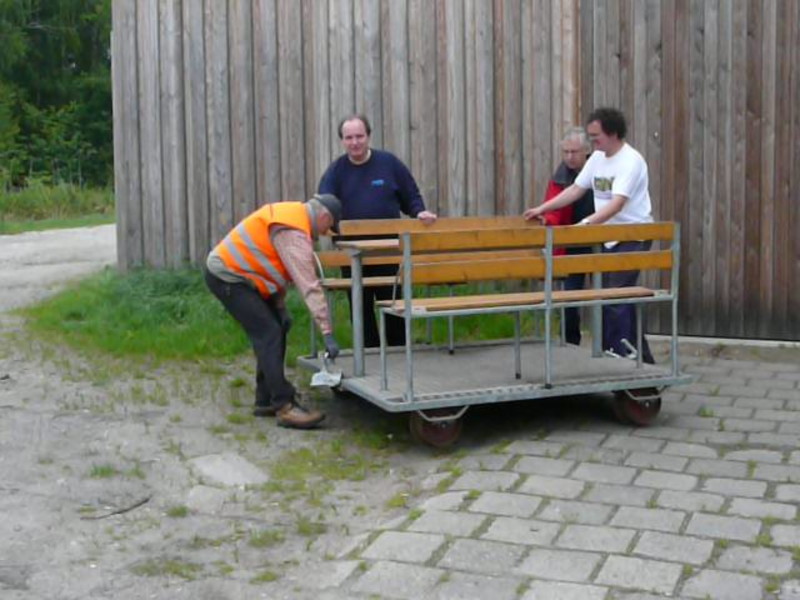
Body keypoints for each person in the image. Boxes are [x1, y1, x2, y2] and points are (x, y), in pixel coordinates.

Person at [524, 107, 655, 363]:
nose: (593, 142)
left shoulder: (631, 161)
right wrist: (543, 208)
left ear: (613, 133)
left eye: (596, 137)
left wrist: (584, 225)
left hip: (632, 235)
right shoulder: (597, 159)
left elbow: (616, 204)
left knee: (616, 296)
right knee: (611, 297)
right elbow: (575, 189)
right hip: (608, 237)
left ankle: (620, 354)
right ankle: (637, 356)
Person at [204, 194, 342, 429]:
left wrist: (279, 307)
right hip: (228, 277)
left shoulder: (291, 217)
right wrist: (327, 332)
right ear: (324, 217)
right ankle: (284, 406)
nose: (325, 234)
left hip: (241, 276)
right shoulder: (294, 232)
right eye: (329, 227)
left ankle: (266, 398)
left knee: (275, 326)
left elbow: (271, 267)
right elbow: (309, 285)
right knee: (269, 333)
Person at [318, 114, 437, 348]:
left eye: (359, 136)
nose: (355, 142)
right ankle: (369, 357)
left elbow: (411, 196)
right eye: (349, 138)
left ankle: (399, 353)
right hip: (352, 254)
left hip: (388, 251)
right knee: (360, 309)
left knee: (392, 305)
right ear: (342, 140)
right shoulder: (336, 171)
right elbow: (323, 204)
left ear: (369, 136)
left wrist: (419, 212)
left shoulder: (389, 164)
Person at [540, 127, 594, 345]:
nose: (570, 157)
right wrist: (548, 221)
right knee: (569, 298)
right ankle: (570, 344)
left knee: (610, 298)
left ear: (586, 151)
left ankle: (610, 344)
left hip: (602, 240)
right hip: (572, 243)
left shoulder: (599, 169)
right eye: (566, 152)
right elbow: (553, 209)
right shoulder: (560, 177)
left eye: (575, 152)